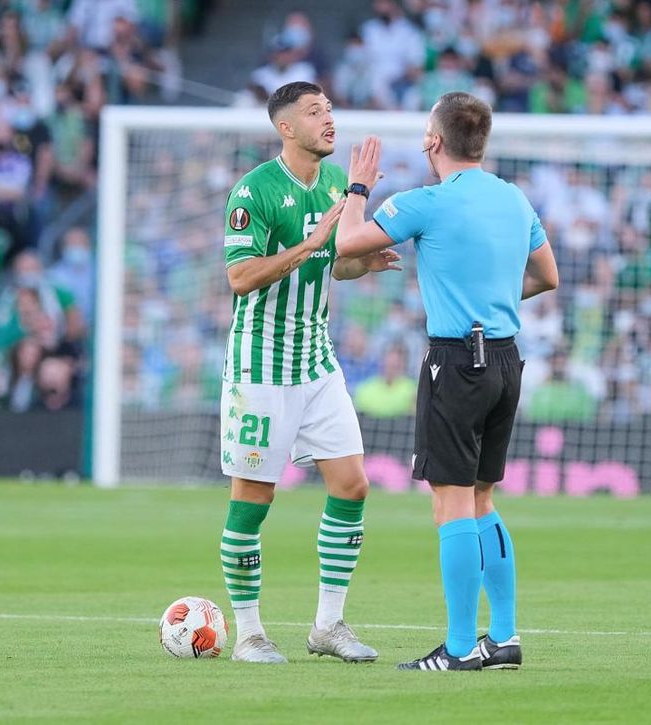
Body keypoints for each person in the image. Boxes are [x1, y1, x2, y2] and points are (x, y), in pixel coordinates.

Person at [335, 91, 559, 671]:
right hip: (508, 360)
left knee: (451, 501)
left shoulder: (425, 202)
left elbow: (346, 244)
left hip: (457, 360)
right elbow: (547, 276)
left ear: (433, 142)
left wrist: (358, 186)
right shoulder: (514, 199)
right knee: (483, 496)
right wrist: (493, 299)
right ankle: (503, 637)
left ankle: (460, 647)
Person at [218, 81, 401, 664]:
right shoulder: (255, 190)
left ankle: (328, 625)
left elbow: (331, 266)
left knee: (352, 485)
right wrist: (315, 240)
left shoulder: (334, 186)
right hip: (261, 364)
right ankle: (248, 632)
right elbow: (241, 278)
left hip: (317, 360)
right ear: (285, 128)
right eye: (314, 112)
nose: (328, 119)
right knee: (253, 498)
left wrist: (357, 264)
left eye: (330, 109)